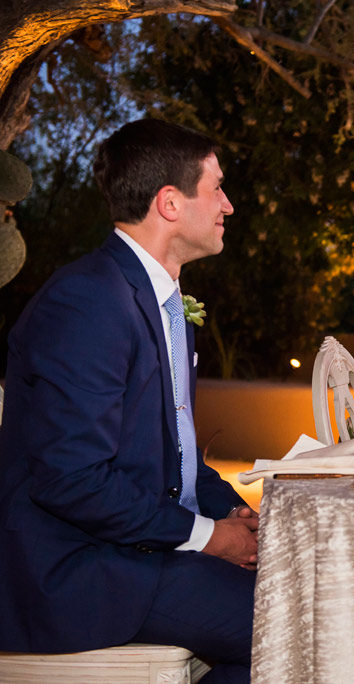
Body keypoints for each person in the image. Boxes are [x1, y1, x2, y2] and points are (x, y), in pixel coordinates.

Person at [0, 119, 257, 683]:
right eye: (216, 188)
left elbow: (177, 455)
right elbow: (71, 478)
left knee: (305, 603)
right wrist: (210, 538)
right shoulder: (88, 301)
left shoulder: (165, 304)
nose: (229, 205)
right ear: (170, 202)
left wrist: (235, 513)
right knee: (298, 625)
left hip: (142, 547)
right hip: (81, 569)